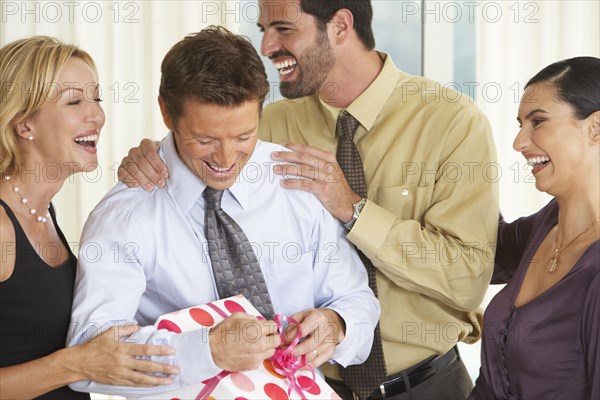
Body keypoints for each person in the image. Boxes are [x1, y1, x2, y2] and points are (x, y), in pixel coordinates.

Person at [119, 1, 499, 399]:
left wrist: (352, 208)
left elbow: (468, 278)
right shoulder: (265, 126)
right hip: (299, 384)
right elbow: (197, 153)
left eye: (283, 29)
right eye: (263, 28)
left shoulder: (451, 122)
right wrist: (153, 158)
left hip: (425, 387)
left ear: (339, 26)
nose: (266, 46)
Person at [66, 25, 379, 397]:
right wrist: (205, 350)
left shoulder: (296, 184)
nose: (226, 160)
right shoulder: (125, 216)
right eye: (205, 139)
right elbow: (89, 355)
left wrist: (337, 325)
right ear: (166, 113)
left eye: (243, 137)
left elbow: (356, 300)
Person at [0, 36, 179, 399]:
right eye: (74, 101)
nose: (96, 115)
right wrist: (76, 364)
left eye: (96, 98)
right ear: (23, 124)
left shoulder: (42, 213)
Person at [469, 57, 600, 400]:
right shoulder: (547, 224)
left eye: (537, 122)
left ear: (595, 128)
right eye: (520, 124)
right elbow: (480, 248)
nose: (518, 143)